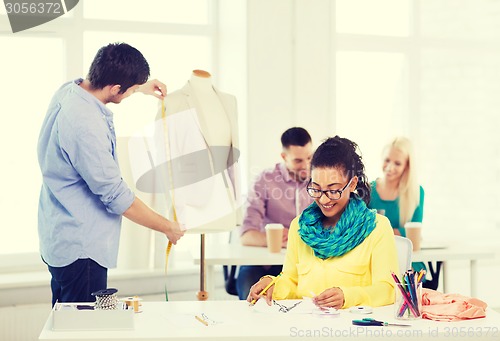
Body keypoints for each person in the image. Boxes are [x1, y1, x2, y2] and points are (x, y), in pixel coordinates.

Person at [37, 43, 185, 306]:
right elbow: (116, 196)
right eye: (127, 91)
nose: (129, 95)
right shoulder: (85, 125)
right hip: (82, 253)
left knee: (64, 325)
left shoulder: (69, 91)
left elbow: (110, 85)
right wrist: (168, 227)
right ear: (115, 88)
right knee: (83, 330)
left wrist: (140, 86)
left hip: (59, 239)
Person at [247, 136, 398, 309]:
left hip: (354, 328)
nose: (324, 199)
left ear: (352, 184)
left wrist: (347, 296)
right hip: (306, 327)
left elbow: (388, 289)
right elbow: (291, 280)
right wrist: (273, 285)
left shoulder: (377, 227)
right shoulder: (300, 227)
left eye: (333, 190)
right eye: (316, 189)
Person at [236, 127, 314, 300]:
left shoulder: (319, 180)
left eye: (310, 158)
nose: (306, 166)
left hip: (304, 265)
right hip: (264, 265)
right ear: (284, 157)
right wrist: (278, 239)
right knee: (252, 293)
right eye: (298, 161)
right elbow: (246, 235)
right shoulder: (265, 180)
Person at [368, 136, 428, 284]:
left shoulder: (416, 192)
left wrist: (384, 231)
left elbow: (414, 232)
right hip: (375, 256)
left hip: (408, 259)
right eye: (387, 160)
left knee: (406, 278)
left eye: (397, 163)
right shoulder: (368, 190)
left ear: (407, 166)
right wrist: (396, 231)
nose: (390, 167)